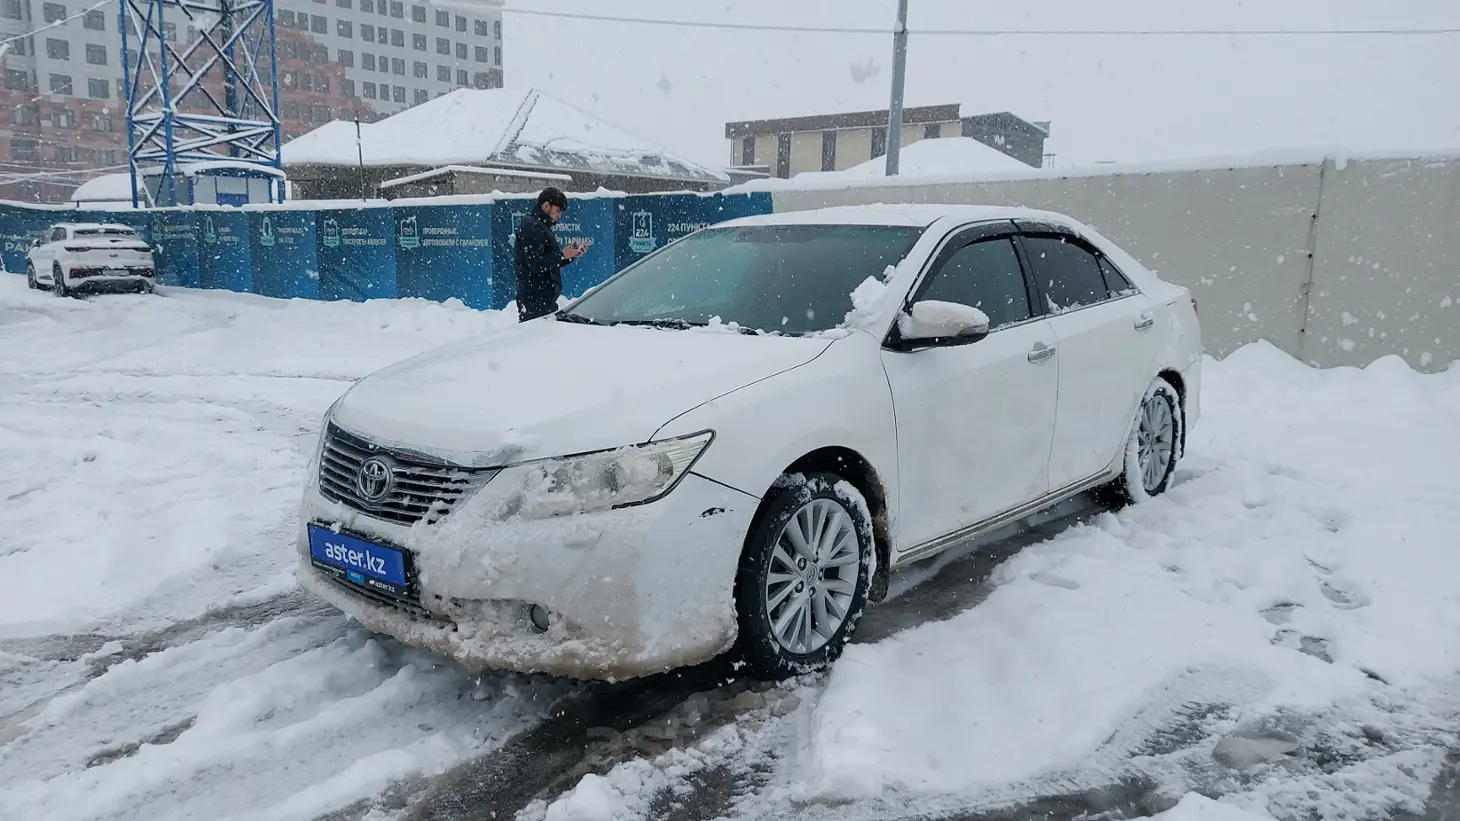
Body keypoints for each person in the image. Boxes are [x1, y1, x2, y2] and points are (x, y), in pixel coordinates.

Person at [514, 187, 586, 322]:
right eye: (557, 211)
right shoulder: (531, 226)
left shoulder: (541, 226)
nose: (559, 216)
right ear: (546, 206)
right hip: (534, 300)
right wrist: (561, 255)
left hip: (545, 299)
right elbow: (535, 264)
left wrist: (570, 255)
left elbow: (549, 262)